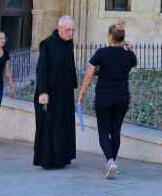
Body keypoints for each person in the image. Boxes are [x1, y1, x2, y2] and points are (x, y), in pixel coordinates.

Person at [77, 24, 137, 178]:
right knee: (115, 131)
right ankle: (112, 163)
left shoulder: (101, 53)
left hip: (104, 97)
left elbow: (89, 75)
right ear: (123, 38)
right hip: (122, 97)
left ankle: (110, 161)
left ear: (110, 36)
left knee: (104, 131)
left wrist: (81, 94)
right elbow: (132, 63)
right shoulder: (129, 55)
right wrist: (129, 48)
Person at [33, 16, 78, 169]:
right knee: (49, 125)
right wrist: (43, 91)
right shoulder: (47, 44)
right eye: (68, 30)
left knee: (63, 125)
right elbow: (42, 68)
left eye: (72, 30)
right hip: (50, 92)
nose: (70, 33)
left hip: (64, 92)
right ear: (59, 28)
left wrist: (73, 85)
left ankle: (62, 158)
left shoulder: (69, 42)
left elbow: (70, 64)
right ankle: (47, 160)